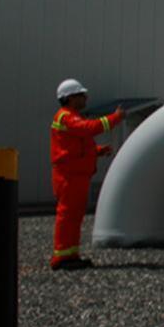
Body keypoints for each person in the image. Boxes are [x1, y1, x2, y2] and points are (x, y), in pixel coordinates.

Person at [50, 79, 123, 270]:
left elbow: (76, 145)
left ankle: (70, 254)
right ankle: (62, 257)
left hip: (75, 175)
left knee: (74, 217)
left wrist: (97, 150)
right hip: (69, 176)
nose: (85, 98)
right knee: (68, 216)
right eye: (81, 95)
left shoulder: (70, 117)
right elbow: (88, 129)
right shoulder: (66, 117)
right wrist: (114, 118)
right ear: (70, 98)